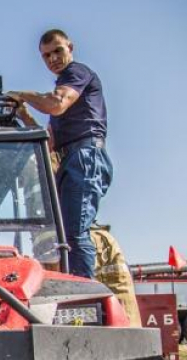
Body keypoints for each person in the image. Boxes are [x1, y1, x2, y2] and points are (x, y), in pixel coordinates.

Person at [8, 29, 113, 279]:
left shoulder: (77, 74)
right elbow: (47, 141)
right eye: (46, 55)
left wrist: (22, 94)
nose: (52, 58)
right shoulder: (62, 91)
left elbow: (56, 104)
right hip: (70, 158)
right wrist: (22, 113)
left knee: (75, 233)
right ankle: (72, 285)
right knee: (65, 234)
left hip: (85, 156)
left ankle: (86, 298)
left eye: (58, 51)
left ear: (71, 48)